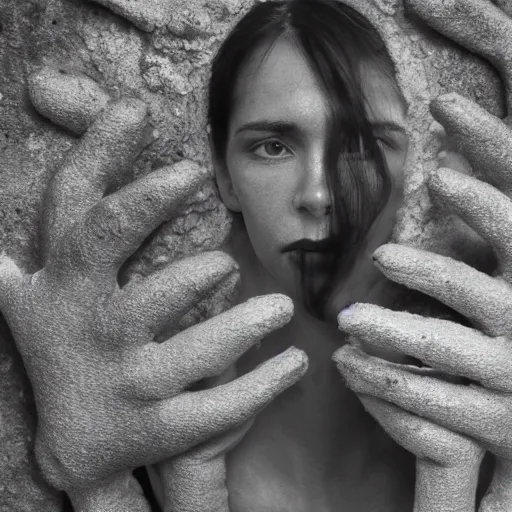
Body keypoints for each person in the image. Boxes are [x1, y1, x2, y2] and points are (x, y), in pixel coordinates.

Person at [1, 0, 512, 511]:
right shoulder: (155, 396)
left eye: (359, 144)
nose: (318, 194)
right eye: (272, 146)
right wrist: (94, 481)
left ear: (421, 166)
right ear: (223, 172)